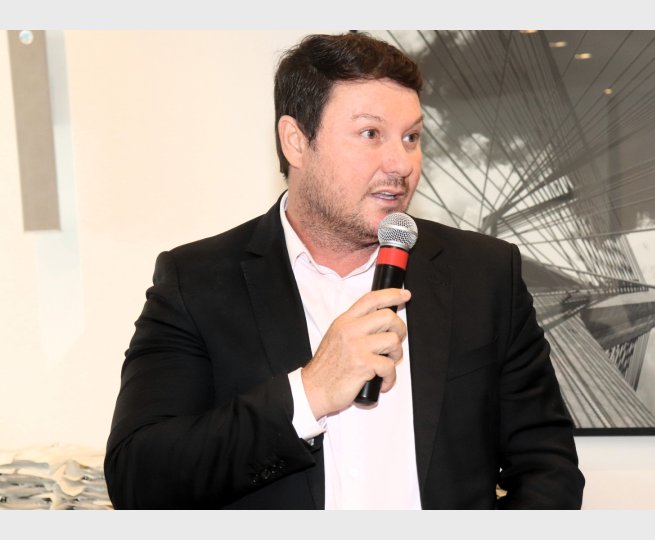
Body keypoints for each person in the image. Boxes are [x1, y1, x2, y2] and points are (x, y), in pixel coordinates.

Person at [104, 31, 585, 509]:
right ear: (296, 141)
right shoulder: (196, 281)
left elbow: (548, 468)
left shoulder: (485, 274)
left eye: (412, 137)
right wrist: (309, 392)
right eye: (371, 134)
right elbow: (138, 479)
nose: (401, 164)